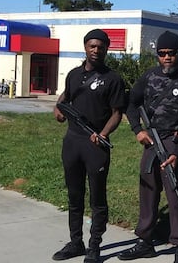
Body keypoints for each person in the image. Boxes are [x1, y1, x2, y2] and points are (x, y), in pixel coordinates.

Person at [118, 31, 178, 263]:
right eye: (162, 54)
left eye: (172, 53)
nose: (167, 58)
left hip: (175, 141)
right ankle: (144, 241)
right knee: (148, 191)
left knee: (176, 193)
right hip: (152, 142)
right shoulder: (149, 76)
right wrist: (137, 130)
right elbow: (130, 102)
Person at [52, 29, 126, 263]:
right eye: (92, 46)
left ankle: (94, 246)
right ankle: (76, 242)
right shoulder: (74, 74)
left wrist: (103, 133)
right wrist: (58, 107)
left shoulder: (113, 79)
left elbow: (117, 113)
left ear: (106, 49)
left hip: (96, 144)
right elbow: (66, 95)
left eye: (101, 47)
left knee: (97, 198)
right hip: (72, 142)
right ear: (85, 47)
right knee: (75, 196)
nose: (96, 50)